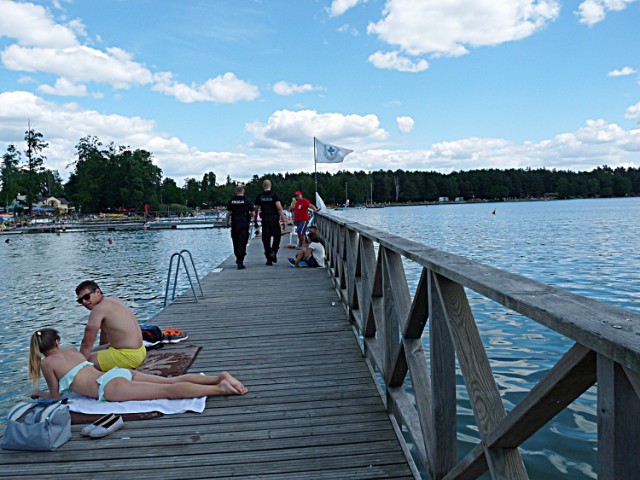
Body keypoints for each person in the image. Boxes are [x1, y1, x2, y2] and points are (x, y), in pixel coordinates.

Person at [29, 328, 247, 402]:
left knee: (168, 391)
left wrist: (41, 393)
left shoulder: (48, 364)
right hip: (117, 374)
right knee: (171, 381)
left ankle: (218, 388)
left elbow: (56, 396)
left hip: (109, 388)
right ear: (58, 342)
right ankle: (218, 377)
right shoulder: (72, 351)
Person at [76, 281, 146, 371]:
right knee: (90, 352)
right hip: (140, 350)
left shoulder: (98, 310)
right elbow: (105, 331)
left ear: (97, 292)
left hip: (129, 357)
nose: (84, 302)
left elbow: (86, 343)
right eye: (80, 300)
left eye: (86, 297)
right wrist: (102, 352)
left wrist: (78, 368)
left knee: (81, 362)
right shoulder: (114, 299)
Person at [254, 179, 288, 265]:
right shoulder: (274, 195)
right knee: (277, 236)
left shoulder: (259, 196)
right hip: (274, 219)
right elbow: (279, 208)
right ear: (271, 186)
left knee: (266, 239)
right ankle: (273, 252)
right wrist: (284, 220)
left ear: (263, 186)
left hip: (265, 219)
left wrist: (255, 220)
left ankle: (269, 258)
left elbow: (256, 209)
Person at [226, 185, 254, 270]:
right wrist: (254, 219)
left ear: (236, 191)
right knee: (243, 242)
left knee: (236, 242)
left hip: (235, 224)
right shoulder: (247, 200)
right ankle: (240, 261)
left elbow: (228, 214)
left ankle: (238, 258)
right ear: (243, 191)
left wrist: (227, 223)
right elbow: (253, 213)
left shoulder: (232, 200)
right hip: (244, 224)